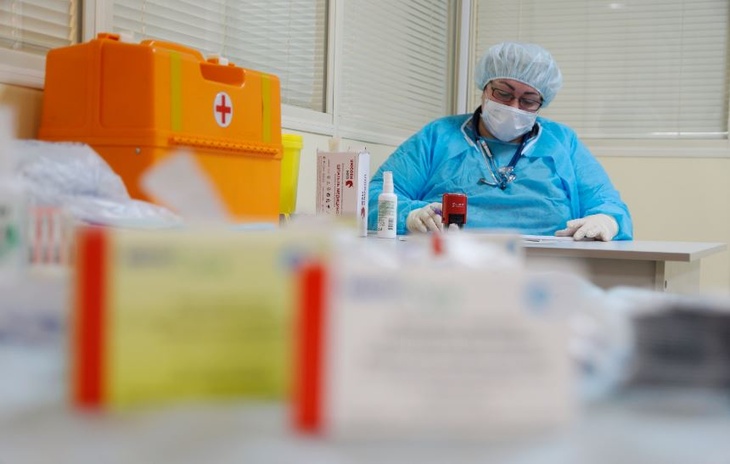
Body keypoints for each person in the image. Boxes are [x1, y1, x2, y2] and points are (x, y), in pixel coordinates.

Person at [367, 41, 632, 241]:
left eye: (528, 100)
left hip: (548, 269)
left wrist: (607, 221)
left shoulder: (562, 143)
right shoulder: (438, 136)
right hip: (450, 267)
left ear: (542, 102)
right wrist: (409, 216)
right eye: (503, 93)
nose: (513, 107)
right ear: (485, 87)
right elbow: (372, 197)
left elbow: (608, 204)